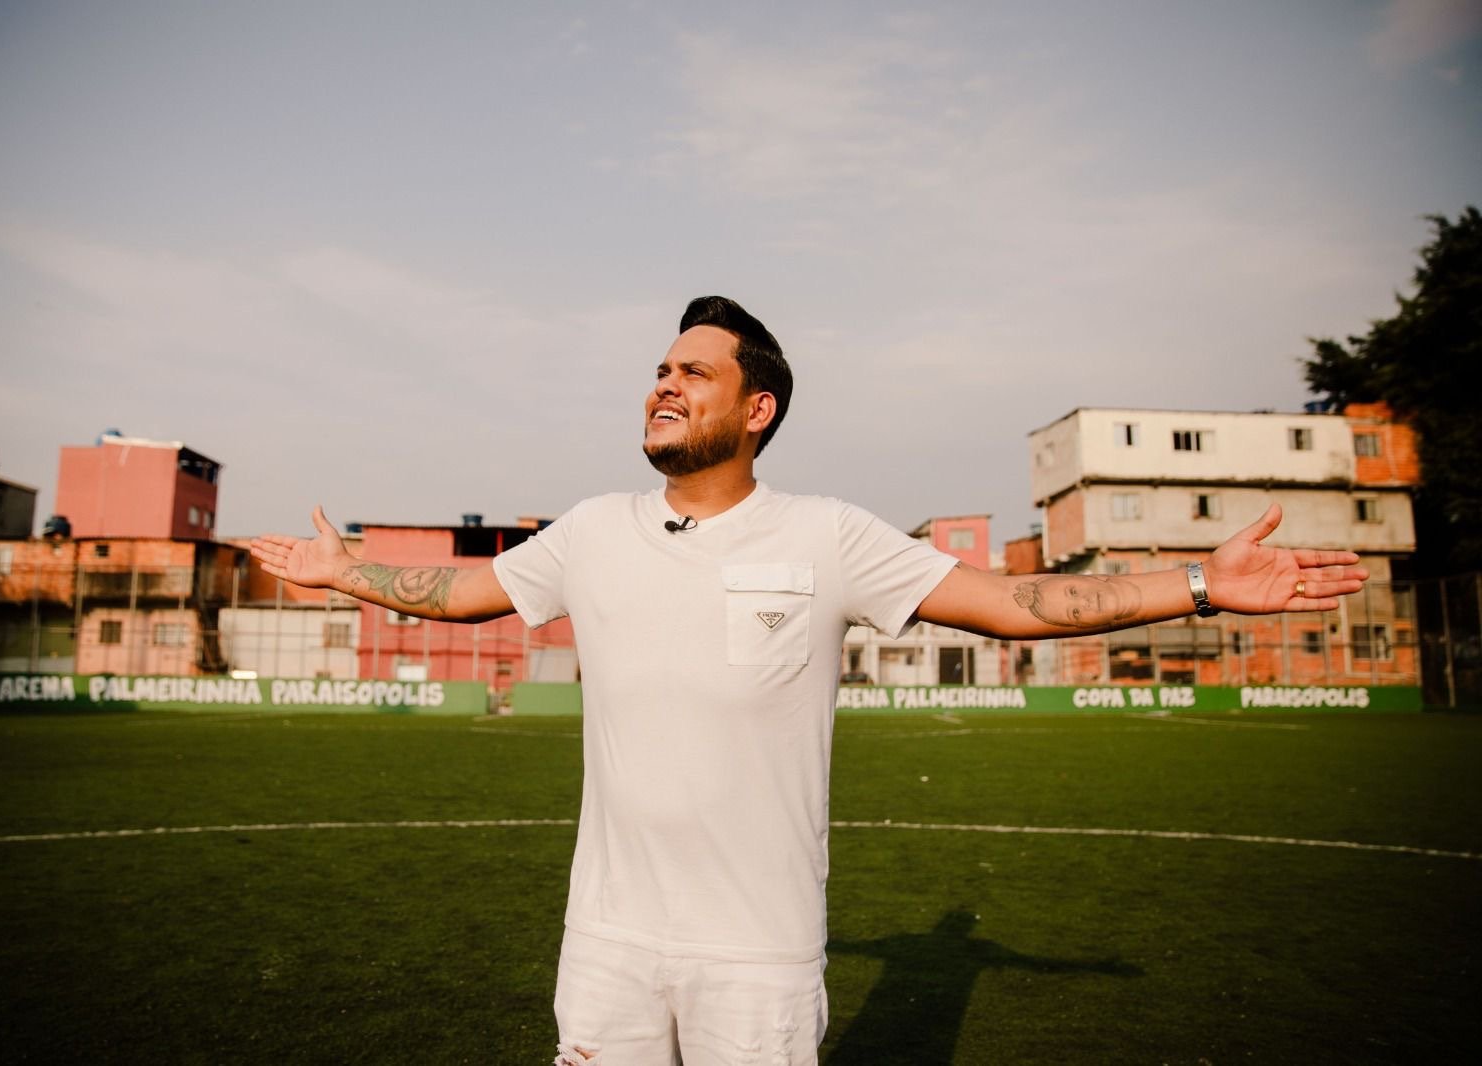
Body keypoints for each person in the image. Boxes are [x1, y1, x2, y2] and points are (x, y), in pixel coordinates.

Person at [249, 295, 1366, 1065]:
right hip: (607, 942)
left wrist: (1199, 584)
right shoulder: (591, 530)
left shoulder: (828, 535)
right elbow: (463, 591)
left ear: (757, 410)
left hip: (757, 954)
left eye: (693, 372)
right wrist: (349, 573)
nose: (663, 385)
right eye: (659, 370)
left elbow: (1019, 604)